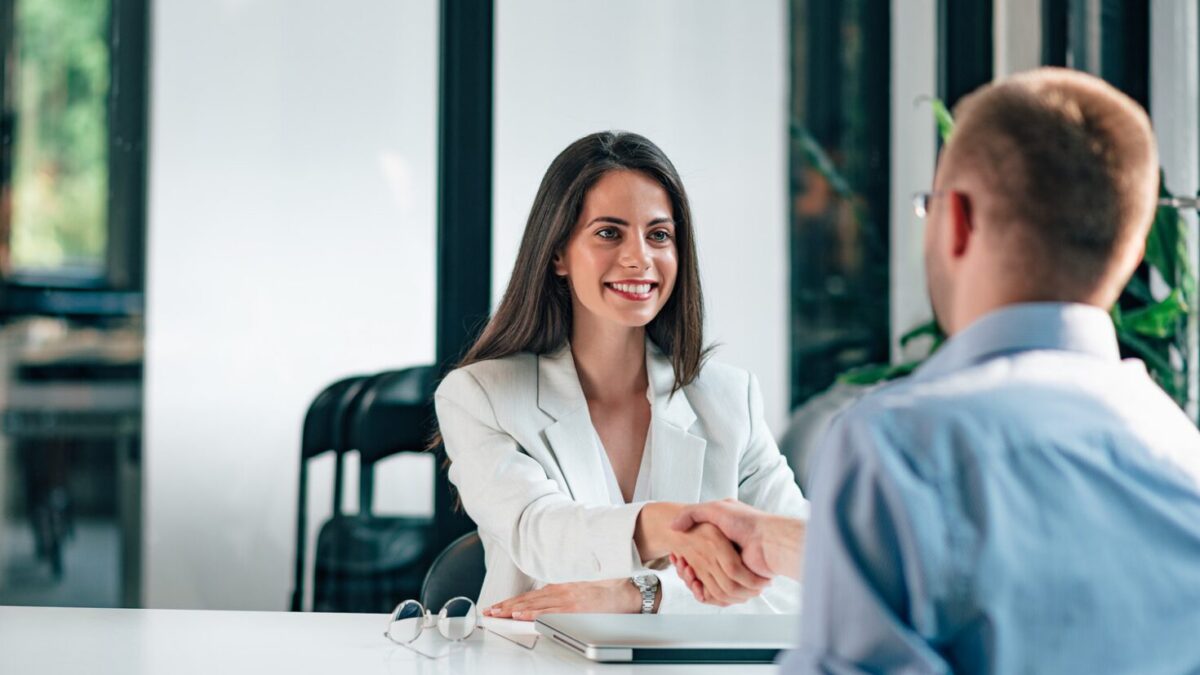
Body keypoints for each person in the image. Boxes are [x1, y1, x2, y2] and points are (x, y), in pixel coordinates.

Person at [670, 67, 1200, 672]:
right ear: (1130, 249)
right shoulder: (1180, 454)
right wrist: (781, 542)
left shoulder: (899, 446)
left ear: (959, 221)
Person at [432, 131, 809, 620]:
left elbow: (810, 575)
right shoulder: (480, 396)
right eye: (609, 233)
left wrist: (644, 595)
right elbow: (538, 532)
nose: (639, 257)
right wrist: (678, 527)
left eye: (659, 235)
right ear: (558, 254)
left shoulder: (731, 398)